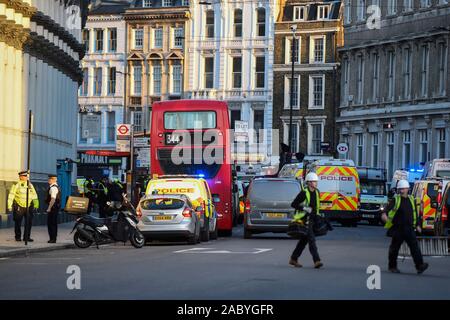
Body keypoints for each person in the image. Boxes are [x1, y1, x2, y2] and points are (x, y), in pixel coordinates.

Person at [381, 179, 428, 274]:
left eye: (403, 189)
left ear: (407, 189)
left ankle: (420, 266)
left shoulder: (411, 199)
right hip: (398, 228)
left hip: (410, 228)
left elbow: (415, 213)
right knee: (394, 248)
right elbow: (386, 210)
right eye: (400, 189)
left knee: (415, 248)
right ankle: (392, 266)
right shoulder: (396, 199)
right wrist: (384, 215)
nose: (401, 191)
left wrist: (418, 225)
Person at [289, 172, 323, 269]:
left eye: (316, 181)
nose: (315, 183)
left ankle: (293, 259)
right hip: (303, 220)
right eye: (313, 181)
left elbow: (316, 207)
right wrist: (304, 208)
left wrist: (318, 217)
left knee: (303, 241)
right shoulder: (304, 193)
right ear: (308, 182)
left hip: (312, 219)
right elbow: (294, 204)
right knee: (311, 240)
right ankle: (317, 261)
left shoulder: (317, 192)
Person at [7, 171, 39, 242]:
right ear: (20, 177)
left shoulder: (30, 184)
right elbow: (11, 195)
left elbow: (34, 194)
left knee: (29, 222)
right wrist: (9, 205)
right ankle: (18, 237)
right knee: (18, 222)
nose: (25, 178)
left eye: (26, 176)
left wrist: (36, 203)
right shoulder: (16, 185)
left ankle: (27, 237)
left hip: (29, 206)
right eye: (24, 176)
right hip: (19, 206)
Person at [46, 174, 61, 243]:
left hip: (53, 208)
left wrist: (49, 208)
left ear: (54, 180)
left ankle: (52, 239)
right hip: (55, 207)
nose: (48, 180)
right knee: (53, 223)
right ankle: (53, 238)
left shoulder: (53, 188)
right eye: (49, 179)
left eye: (50, 179)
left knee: (51, 223)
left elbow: (53, 199)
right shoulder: (55, 187)